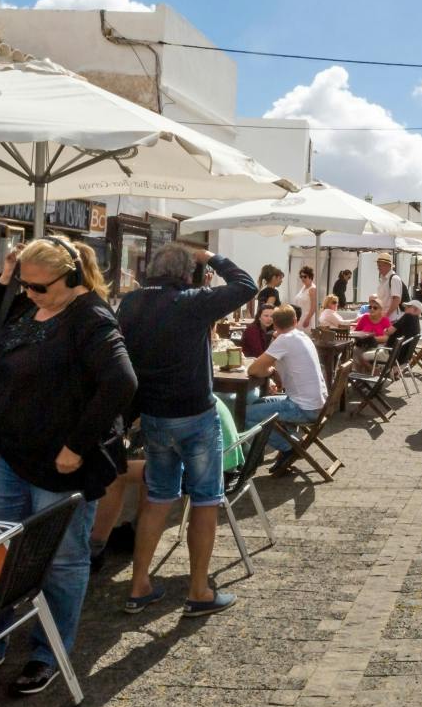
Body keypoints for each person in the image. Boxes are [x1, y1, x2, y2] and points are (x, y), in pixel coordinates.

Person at [0, 237, 136, 696]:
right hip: (11, 453)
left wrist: (77, 445)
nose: (30, 294)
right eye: (25, 286)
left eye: (39, 287)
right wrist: (7, 277)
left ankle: (48, 653)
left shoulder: (91, 317)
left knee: (61, 559)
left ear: (72, 278)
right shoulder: (25, 307)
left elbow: (121, 381)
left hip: (61, 463)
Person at [117, 242, 257, 618]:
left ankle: (139, 585)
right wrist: (211, 258)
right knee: (206, 499)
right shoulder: (191, 301)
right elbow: (246, 285)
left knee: (159, 497)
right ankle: (198, 590)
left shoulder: (131, 303)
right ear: (186, 273)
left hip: (153, 415)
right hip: (194, 413)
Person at [244, 306, 327, 475]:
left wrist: (269, 369)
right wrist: (272, 369)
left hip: (304, 408)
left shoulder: (284, 340)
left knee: (246, 414)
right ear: (295, 321)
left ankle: (289, 446)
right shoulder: (301, 335)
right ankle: (291, 441)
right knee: (259, 403)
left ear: (274, 325)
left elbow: (253, 370)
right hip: (318, 404)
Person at [372, 254, 405, 321]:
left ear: (387, 265)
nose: (378, 268)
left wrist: (387, 315)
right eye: (378, 265)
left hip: (392, 319)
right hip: (384, 317)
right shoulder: (383, 280)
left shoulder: (394, 279)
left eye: (380, 265)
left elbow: (396, 300)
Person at [290, 265, 317, 332]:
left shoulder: (312, 289)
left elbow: (314, 307)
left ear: (310, 277)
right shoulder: (303, 287)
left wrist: (307, 319)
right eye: (301, 277)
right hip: (300, 318)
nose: (303, 278)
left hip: (307, 318)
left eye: (305, 276)